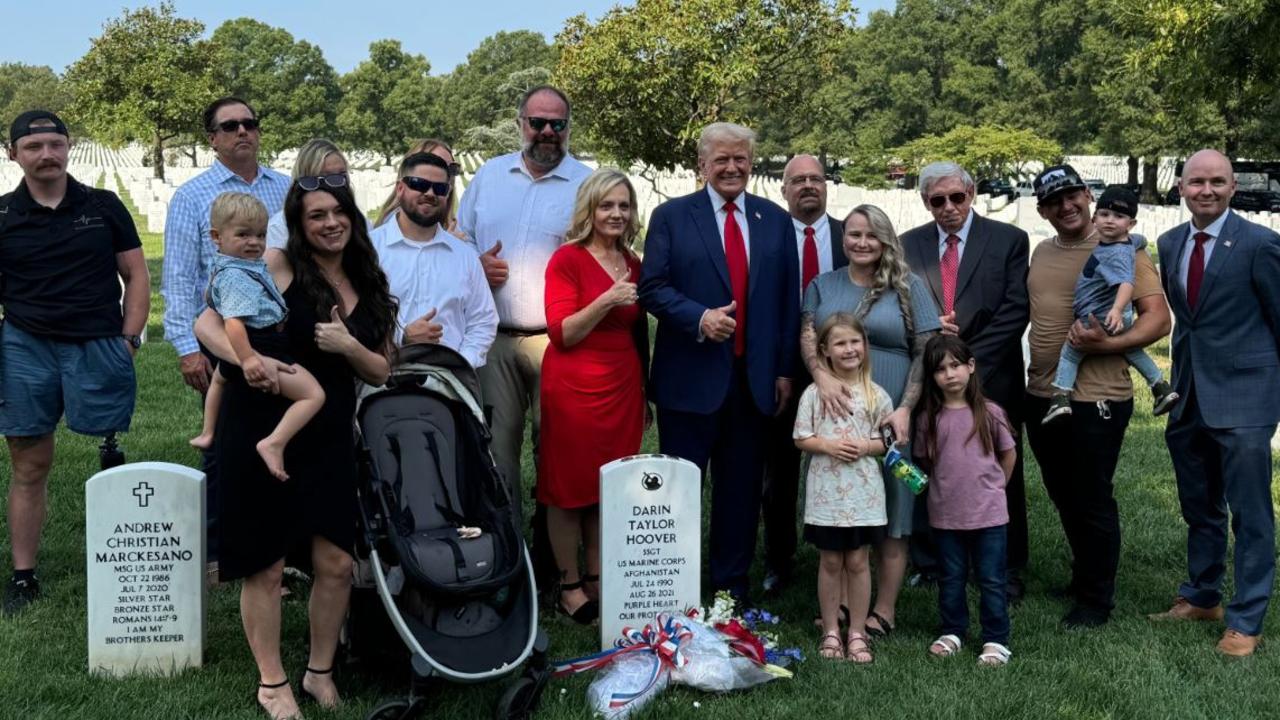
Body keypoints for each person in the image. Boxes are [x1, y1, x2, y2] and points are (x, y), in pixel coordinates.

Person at [195, 179, 396, 719]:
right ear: (299, 225)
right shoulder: (277, 264)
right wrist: (247, 364)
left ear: (352, 217)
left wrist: (349, 344)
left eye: (338, 212)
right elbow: (206, 322)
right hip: (259, 418)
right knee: (265, 561)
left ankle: (320, 670)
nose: (330, 223)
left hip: (326, 429)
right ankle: (271, 681)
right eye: (315, 216)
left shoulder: (371, 283)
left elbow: (381, 369)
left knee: (334, 560)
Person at [639, 121, 798, 603]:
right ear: (703, 165)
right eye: (721, 159)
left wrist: (785, 368)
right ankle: (679, 586)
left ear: (752, 163)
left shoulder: (773, 220)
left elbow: (788, 301)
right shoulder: (671, 217)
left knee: (741, 492)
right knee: (682, 490)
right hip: (689, 378)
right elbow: (652, 287)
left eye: (740, 158)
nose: (732, 167)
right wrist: (699, 317)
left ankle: (731, 587)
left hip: (753, 381)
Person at [0, 110, 149, 616]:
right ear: (14, 154)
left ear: (68, 148)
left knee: (110, 449)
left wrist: (130, 340)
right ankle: (23, 576)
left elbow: (135, 273)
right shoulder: (2, 216)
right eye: (33, 146)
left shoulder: (103, 206)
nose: (46, 154)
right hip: (26, 346)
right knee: (29, 461)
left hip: (97, 341)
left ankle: (125, 555)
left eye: (55, 144)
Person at [456, 85, 592, 590]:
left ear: (568, 128)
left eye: (557, 124)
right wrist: (475, 262)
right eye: (538, 122)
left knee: (556, 456)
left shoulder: (585, 184)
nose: (547, 133)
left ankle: (558, 565)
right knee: (499, 453)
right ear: (520, 124)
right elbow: (458, 241)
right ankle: (509, 561)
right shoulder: (490, 177)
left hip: (560, 343)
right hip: (494, 337)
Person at [1023, 164, 1170, 629]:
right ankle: (1082, 575)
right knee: (1062, 492)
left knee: (1091, 496)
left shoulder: (1122, 248)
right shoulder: (1042, 252)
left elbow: (1157, 320)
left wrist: (1105, 344)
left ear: (1088, 195)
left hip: (1099, 397)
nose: (1066, 206)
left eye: (1073, 196)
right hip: (1044, 392)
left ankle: (1096, 600)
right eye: (1054, 201)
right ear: (1043, 209)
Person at [1150, 149, 1280, 657]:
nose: (1206, 190)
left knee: (1250, 513)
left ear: (1232, 187)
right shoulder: (1171, 242)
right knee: (1200, 505)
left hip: (1246, 398)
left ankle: (1246, 619)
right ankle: (1203, 595)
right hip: (1189, 395)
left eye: (1217, 182)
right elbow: (1190, 319)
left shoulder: (1261, 244)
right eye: (1196, 182)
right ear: (1180, 188)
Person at [800, 203, 940, 636]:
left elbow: (925, 348)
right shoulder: (823, 284)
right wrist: (821, 378)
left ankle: (884, 608)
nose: (861, 243)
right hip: (835, 406)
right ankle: (839, 604)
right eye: (853, 234)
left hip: (891, 400)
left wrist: (906, 406)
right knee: (841, 495)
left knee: (894, 503)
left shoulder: (907, 285)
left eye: (870, 235)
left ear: (885, 240)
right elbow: (808, 336)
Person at [161, 96, 290, 567]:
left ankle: (282, 547)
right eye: (229, 126)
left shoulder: (285, 188)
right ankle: (221, 549)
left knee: (284, 440)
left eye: (249, 123)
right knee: (226, 447)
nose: (242, 132)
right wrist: (187, 348)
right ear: (212, 138)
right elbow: (177, 276)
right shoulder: (193, 196)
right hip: (223, 339)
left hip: (280, 336)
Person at [900, 161, 1029, 600]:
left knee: (999, 464)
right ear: (925, 202)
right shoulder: (908, 245)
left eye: (957, 197)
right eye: (938, 200)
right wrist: (938, 355)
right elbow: (904, 308)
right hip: (932, 376)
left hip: (992, 373)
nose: (949, 207)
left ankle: (1006, 565)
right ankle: (931, 560)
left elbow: (1016, 309)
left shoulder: (1009, 239)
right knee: (932, 461)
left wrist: (967, 360)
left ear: (971, 192)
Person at [538, 168, 649, 623]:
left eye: (624, 205)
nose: (616, 214)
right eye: (607, 205)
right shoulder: (566, 260)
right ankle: (568, 585)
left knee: (607, 488)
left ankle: (599, 577)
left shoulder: (636, 263)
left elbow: (641, 331)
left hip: (622, 384)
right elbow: (562, 333)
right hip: (572, 385)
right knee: (567, 489)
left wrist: (647, 391)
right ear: (590, 209)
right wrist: (607, 299)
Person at [188, 193, 325, 482]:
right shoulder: (238, 277)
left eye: (261, 234)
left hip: (251, 342)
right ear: (217, 236)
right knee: (313, 394)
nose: (254, 242)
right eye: (243, 234)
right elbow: (234, 324)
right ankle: (274, 442)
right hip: (262, 343)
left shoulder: (229, 265)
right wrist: (249, 358)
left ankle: (208, 431)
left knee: (220, 379)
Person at [762, 153, 849, 596]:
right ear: (783, 190)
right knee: (779, 469)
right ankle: (779, 558)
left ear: (827, 186)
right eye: (798, 180)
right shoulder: (768, 237)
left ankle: (845, 553)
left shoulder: (847, 235)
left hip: (843, 369)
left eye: (816, 178)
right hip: (783, 369)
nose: (808, 186)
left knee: (845, 459)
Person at [793, 313, 890, 664]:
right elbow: (801, 436)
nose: (849, 349)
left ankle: (858, 632)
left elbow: (887, 442)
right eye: (840, 343)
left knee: (859, 561)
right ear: (825, 351)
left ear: (864, 346)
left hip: (864, 496)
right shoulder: (814, 394)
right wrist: (828, 446)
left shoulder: (876, 394)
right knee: (831, 561)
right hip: (827, 495)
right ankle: (831, 629)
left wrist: (866, 447)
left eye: (855, 342)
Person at [914, 335, 1017, 666]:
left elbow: (1008, 453)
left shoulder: (990, 412)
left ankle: (995, 638)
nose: (950, 374)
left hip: (988, 515)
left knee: (991, 578)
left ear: (971, 367)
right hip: (946, 516)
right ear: (932, 377)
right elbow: (925, 462)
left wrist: (998, 485)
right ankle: (953, 630)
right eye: (941, 369)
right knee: (951, 577)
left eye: (956, 365)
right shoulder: (929, 419)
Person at [1043, 186, 1177, 424]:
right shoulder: (1127, 242)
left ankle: (1060, 396)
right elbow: (1137, 241)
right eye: (1105, 215)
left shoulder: (1114, 254)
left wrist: (1115, 310)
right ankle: (1160, 386)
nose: (1110, 221)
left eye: (1119, 217)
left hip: (1099, 315)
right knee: (1131, 349)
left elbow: (1126, 282)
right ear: (1094, 219)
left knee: (1071, 352)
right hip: (1112, 315)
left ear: (1131, 223)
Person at [371, 152, 497, 366]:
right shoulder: (370, 250)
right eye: (419, 184)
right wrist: (401, 338)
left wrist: (461, 363)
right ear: (400, 189)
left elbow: (483, 320)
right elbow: (357, 316)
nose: (429, 193)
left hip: (449, 382)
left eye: (439, 188)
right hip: (383, 379)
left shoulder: (464, 255)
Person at [266, 138, 364, 249]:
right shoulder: (278, 229)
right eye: (326, 177)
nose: (338, 184)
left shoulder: (360, 221)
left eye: (342, 175)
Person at [375, 138, 462, 233]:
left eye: (452, 168)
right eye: (436, 164)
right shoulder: (397, 220)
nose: (444, 174)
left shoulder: (446, 219)